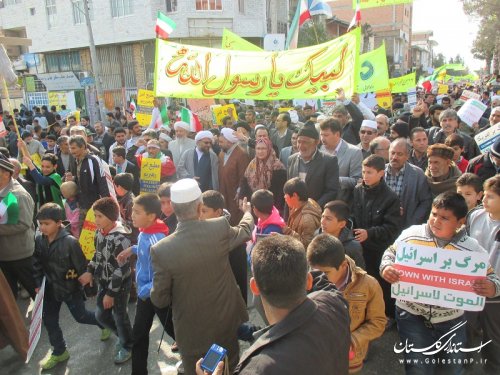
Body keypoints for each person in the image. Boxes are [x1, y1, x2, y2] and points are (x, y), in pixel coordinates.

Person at [381, 192, 500, 375]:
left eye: (444, 217)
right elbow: (390, 253)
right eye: (434, 214)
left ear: (460, 222)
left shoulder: (472, 249)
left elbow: (493, 278)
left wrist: (491, 288)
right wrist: (386, 267)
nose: (436, 220)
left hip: (452, 320)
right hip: (411, 316)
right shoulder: (411, 235)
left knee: (452, 368)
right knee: (417, 368)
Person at [196, 235, 351, 375]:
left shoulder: (259, 368)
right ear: (308, 281)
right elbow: (321, 280)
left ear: (254, 287)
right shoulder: (335, 303)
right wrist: (293, 262)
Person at [150, 178, 252, 374]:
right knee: (228, 367)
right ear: (199, 207)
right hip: (225, 324)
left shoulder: (161, 250)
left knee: (198, 369)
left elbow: (159, 299)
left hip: (191, 333)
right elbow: (245, 230)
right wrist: (247, 213)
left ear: (172, 206)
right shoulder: (219, 227)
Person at [33, 203, 104, 370]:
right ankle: (59, 351)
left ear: (58, 223)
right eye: (40, 223)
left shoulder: (70, 242)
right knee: (50, 321)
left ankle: (105, 322)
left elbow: (82, 268)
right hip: (50, 289)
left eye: (47, 223)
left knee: (82, 316)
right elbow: (36, 263)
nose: (42, 227)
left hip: (70, 289)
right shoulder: (39, 240)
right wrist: (37, 283)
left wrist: (89, 289)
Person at [307, 234, 385, 373]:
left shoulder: (368, 285)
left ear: (343, 266)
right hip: (316, 359)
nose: (318, 278)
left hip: (350, 362)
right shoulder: (307, 281)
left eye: (325, 273)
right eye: (314, 272)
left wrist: (353, 340)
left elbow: (378, 322)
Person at [116, 194, 174, 375]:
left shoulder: (156, 237)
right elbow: (144, 249)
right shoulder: (145, 232)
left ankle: (202, 356)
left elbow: (164, 273)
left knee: (177, 332)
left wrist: (145, 289)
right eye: (133, 211)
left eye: (137, 212)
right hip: (145, 295)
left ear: (151, 216)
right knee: (139, 336)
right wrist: (131, 250)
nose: (132, 215)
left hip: (155, 295)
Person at [78, 197, 133, 365]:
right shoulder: (99, 233)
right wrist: (90, 271)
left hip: (119, 286)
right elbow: (98, 255)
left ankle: (128, 345)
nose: (96, 220)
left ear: (111, 217)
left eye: (100, 216)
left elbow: (121, 269)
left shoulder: (121, 239)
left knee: (120, 315)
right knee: (101, 316)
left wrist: (111, 293)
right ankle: (124, 337)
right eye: (95, 216)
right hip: (104, 282)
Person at [352, 155, 401, 320]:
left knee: (381, 285)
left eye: (370, 172)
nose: (365, 176)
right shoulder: (358, 190)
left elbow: (392, 228)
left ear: (381, 173)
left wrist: (370, 233)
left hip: (379, 249)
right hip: (359, 247)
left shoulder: (391, 198)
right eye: (364, 171)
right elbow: (353, 214)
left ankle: (385, 316)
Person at [466, 175, 500, 374]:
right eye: (484, 195)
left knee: (493, 340)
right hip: (470, 289)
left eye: (491, 197)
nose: (484, 200)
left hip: (495, 297)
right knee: (465, 333)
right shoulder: (475, 216)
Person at [0, 156, 37, 299]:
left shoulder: (17, 195)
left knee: (34, 290)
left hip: (20, 255)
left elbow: (22, 224)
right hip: (4, 255)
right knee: (8, 297)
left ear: (6, 174)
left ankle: (46, 319)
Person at [386, 138, 433, 229]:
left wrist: (413, 222)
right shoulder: (380, 172)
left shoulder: (417, 174)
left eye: (399, 154)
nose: (394, 157)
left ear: (407, 156)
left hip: (406, 226)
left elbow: (425, 201)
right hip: (383, 227)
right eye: (392, 153)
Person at [287, 126, 339, 207]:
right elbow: (289, 191)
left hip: (316, 213)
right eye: (299, 141)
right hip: (295, 212)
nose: (300, 146)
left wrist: (312, 207)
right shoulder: (292, 159)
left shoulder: (329, 161)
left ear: (316, 142)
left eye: (305, 142)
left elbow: (332, 191)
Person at [66, 135, 110, 229]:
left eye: (73, 148)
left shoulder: (94, 160)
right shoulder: (75, 160)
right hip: (82, 204)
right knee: (84, 236)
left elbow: (102, 182)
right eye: (70, 148)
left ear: (82, 146)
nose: (71, 151)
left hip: (95, 205)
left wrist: (105, 207)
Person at [320, 118, 362, 204]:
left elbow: (357, 180)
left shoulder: (354, 152)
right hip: (322, 201)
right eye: (321, 135)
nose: (322, 139)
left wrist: (334, 179)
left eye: (326, 135)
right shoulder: (321, 149)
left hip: (342, 203)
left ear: (337, 134)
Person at [239, 137, 287, 214]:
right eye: (258, 148)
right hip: (254, 207)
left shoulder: (278, 167)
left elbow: (280, 195)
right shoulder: (252, 164)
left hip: (270, 210)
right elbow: (244, 182)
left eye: (263, 148)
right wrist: (241, 198)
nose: (260, 151)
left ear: (269, 149)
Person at [218, 127, 250, 225]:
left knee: (235, 219)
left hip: (235, 195)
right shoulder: (222, 153)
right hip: (224, 192)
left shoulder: (241, 154)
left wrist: (239, 192)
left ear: (229, 142)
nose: (219, 144)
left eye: (221, 142)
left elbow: (243, 176)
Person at [319, 200, 365, 269]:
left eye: (328, 219)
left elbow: (359, 275)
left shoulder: (352, 247)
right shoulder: (317, 235)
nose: (322, 221)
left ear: (342, 224)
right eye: (322, 216)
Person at [283, 177, 322, 248]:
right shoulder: (297, 206)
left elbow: (306, 245)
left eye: (286, 194)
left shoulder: (307, 219)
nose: (284, 197)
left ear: (295, 195)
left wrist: (288, 231)